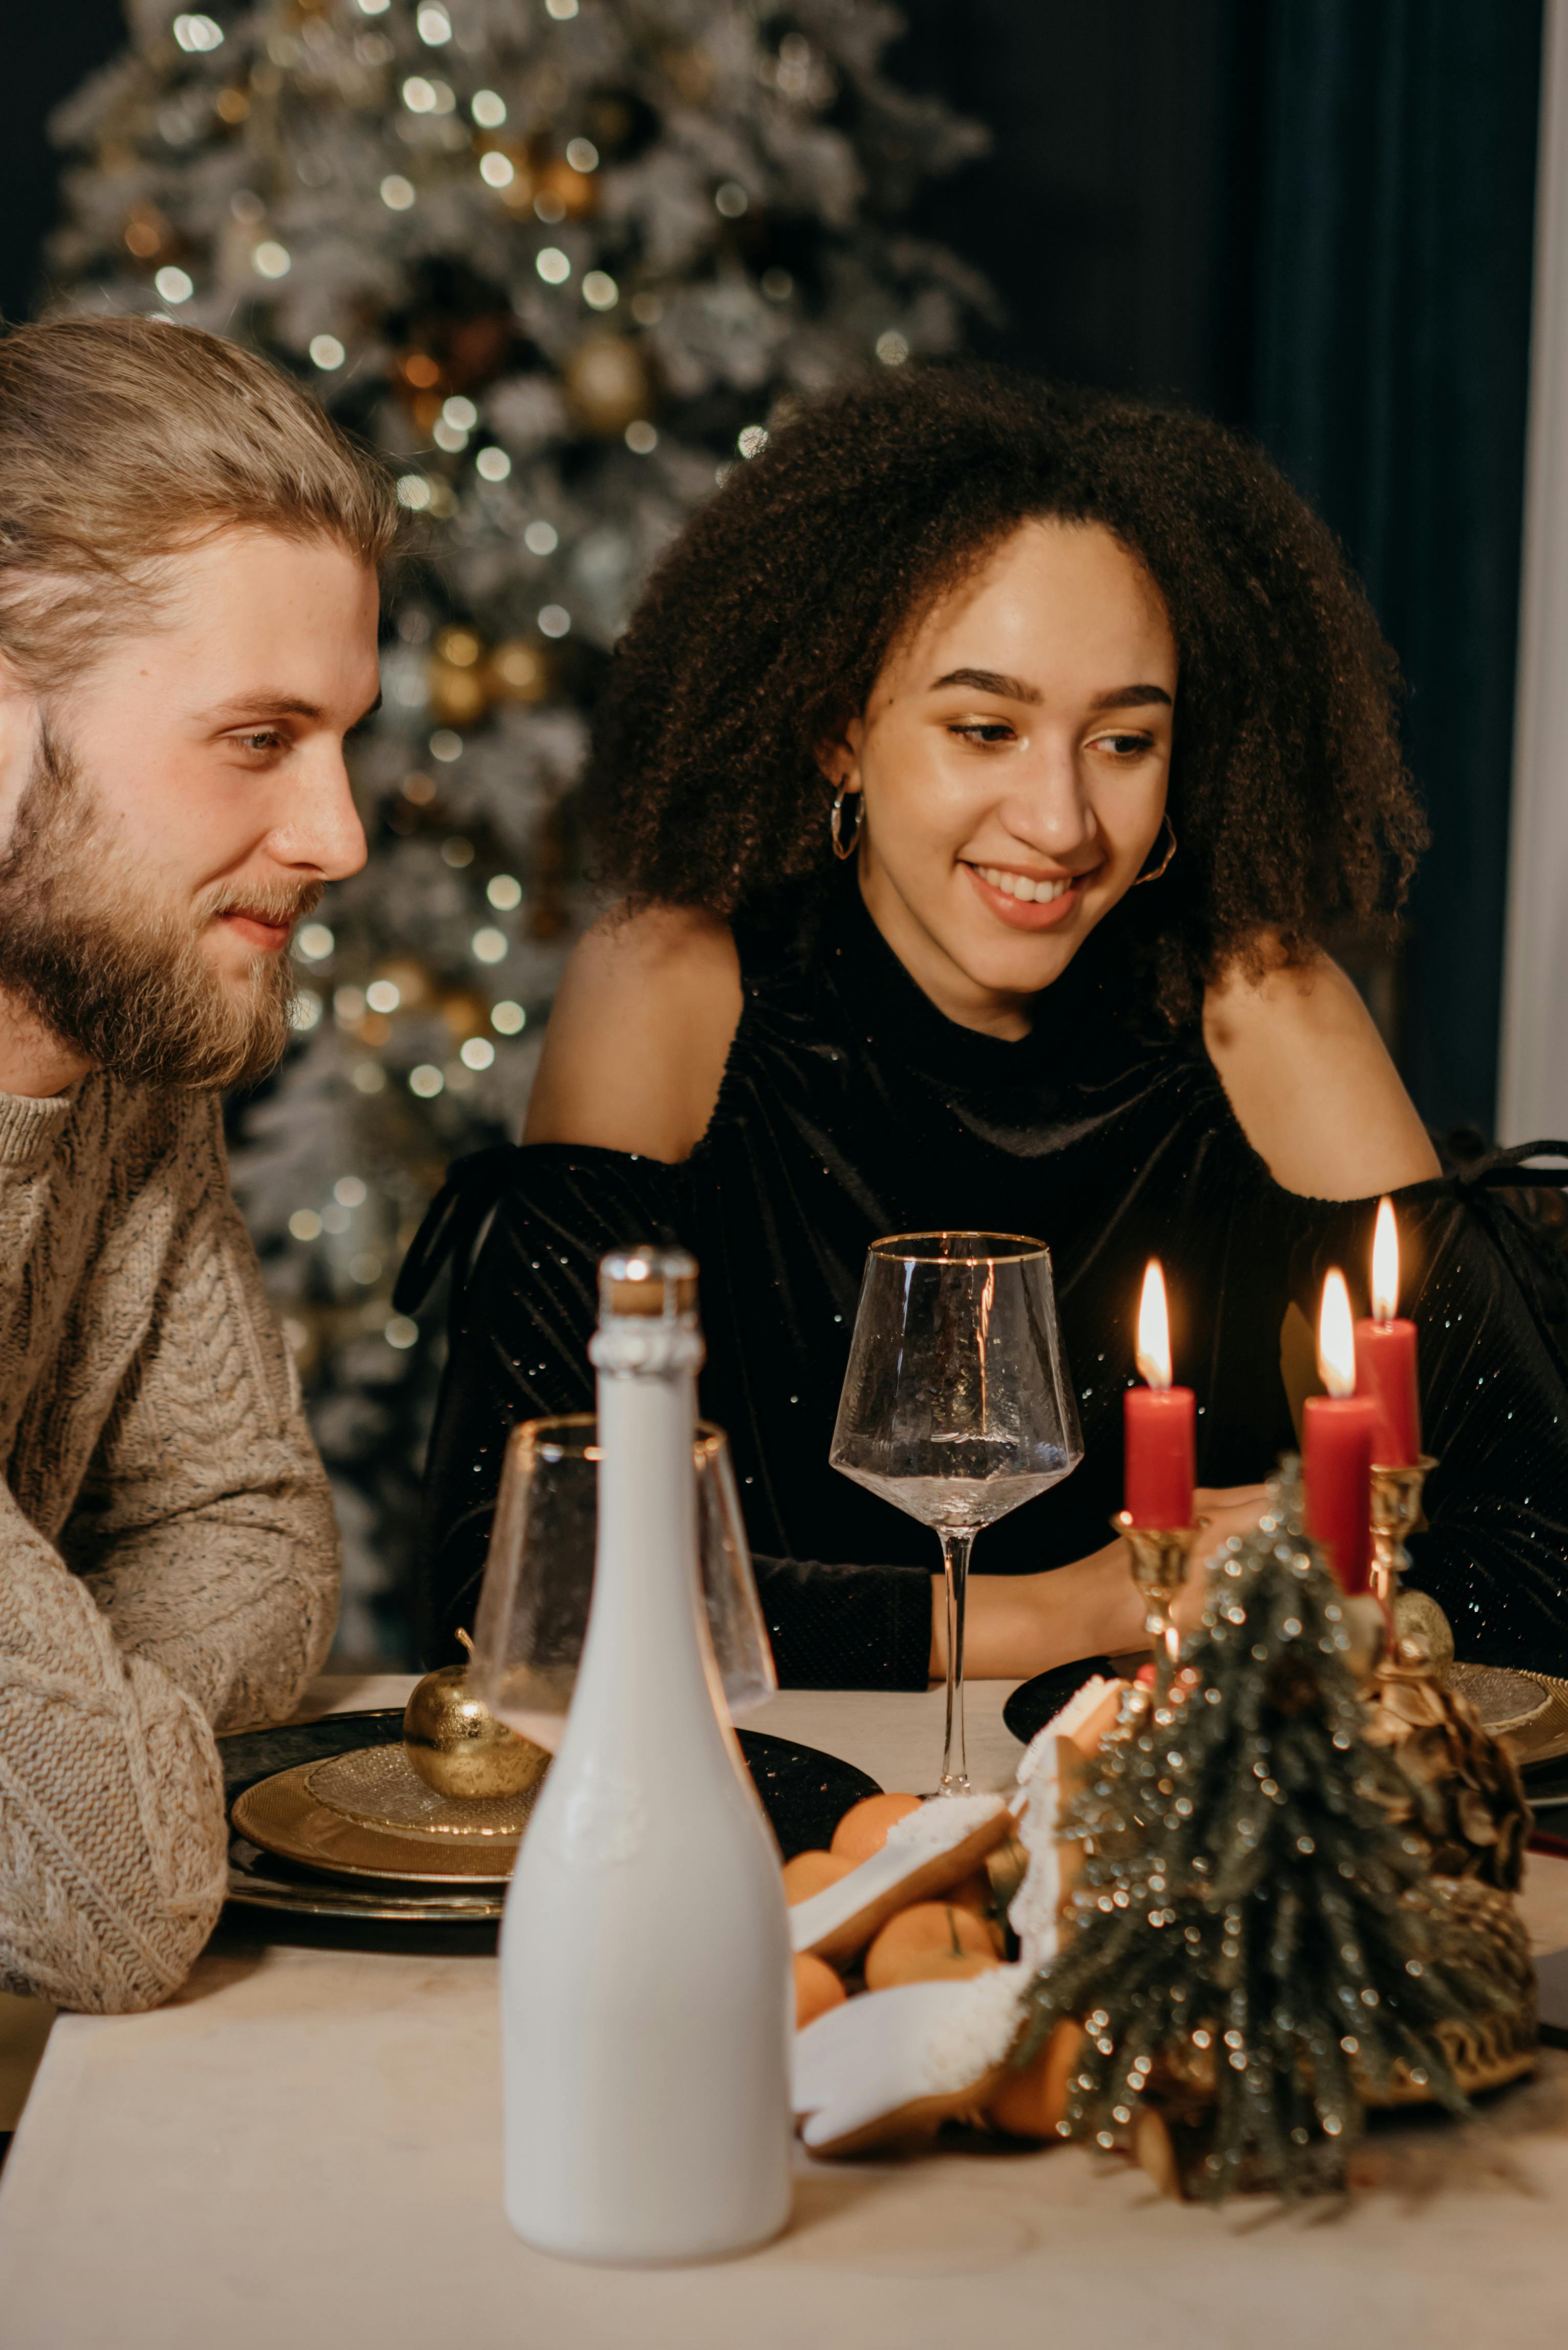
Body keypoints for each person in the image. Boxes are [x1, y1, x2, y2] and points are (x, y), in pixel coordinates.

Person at [407, 366, 1568, 1688]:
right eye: (985, 727)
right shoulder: (676, 989)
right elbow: (514, 1583)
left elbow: (1539, 1554)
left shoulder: (1263, 1013)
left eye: (1123, 743)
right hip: (781, 1824)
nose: (1062, 821)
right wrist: (1071, 1611)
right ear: (841, 732)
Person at [0, 316, 396, 2012]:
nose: (339, 836)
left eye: (343, 738)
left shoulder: (116, 1041)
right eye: (258, 740)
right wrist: (96, 1774)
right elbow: (124, 1897)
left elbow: (255, 1529)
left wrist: (90, 1715)